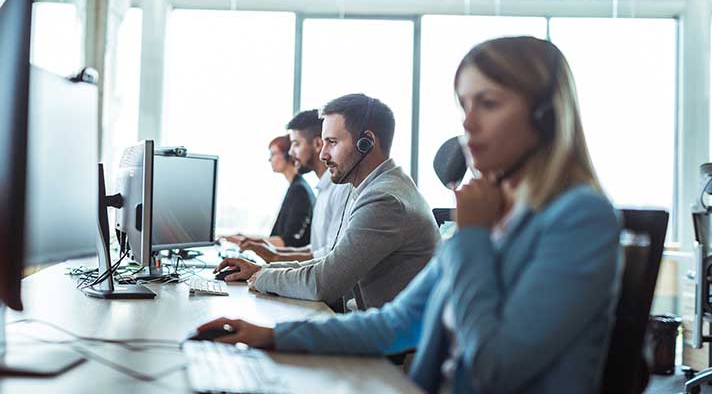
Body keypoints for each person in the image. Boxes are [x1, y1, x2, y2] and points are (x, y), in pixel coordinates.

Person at [196, 37, 622, 393]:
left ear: (546, 118)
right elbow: (396, 323)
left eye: (488, 104)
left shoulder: (580, 218)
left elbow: (495, 370)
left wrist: (472, 238)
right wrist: (270, 336)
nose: (468, 124)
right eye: (464, 106)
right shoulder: (494, 217)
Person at [215, 94, 439, 311]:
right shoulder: (376, 187)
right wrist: (265, 269)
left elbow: (323, 283)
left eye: (331, 142)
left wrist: (263, 276)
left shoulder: (384, 199)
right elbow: (329, 263)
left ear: (366, 143)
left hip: (389, 343)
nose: (322, 155)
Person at [238, 109, 351, 263]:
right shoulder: (323, 189)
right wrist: (269, 250)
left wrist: (272, 259)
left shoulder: (340, 189)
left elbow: (329, 256)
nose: (290, 152)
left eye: (296, 144)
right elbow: (315, 250)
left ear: (318, 144)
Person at [225, 135, 315, 248]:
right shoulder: (295, 186)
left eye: (273, 154)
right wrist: (245, 238)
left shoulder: (299, 190)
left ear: (288, 155)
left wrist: (245, 241)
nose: (269, 159)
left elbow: (288, 241)